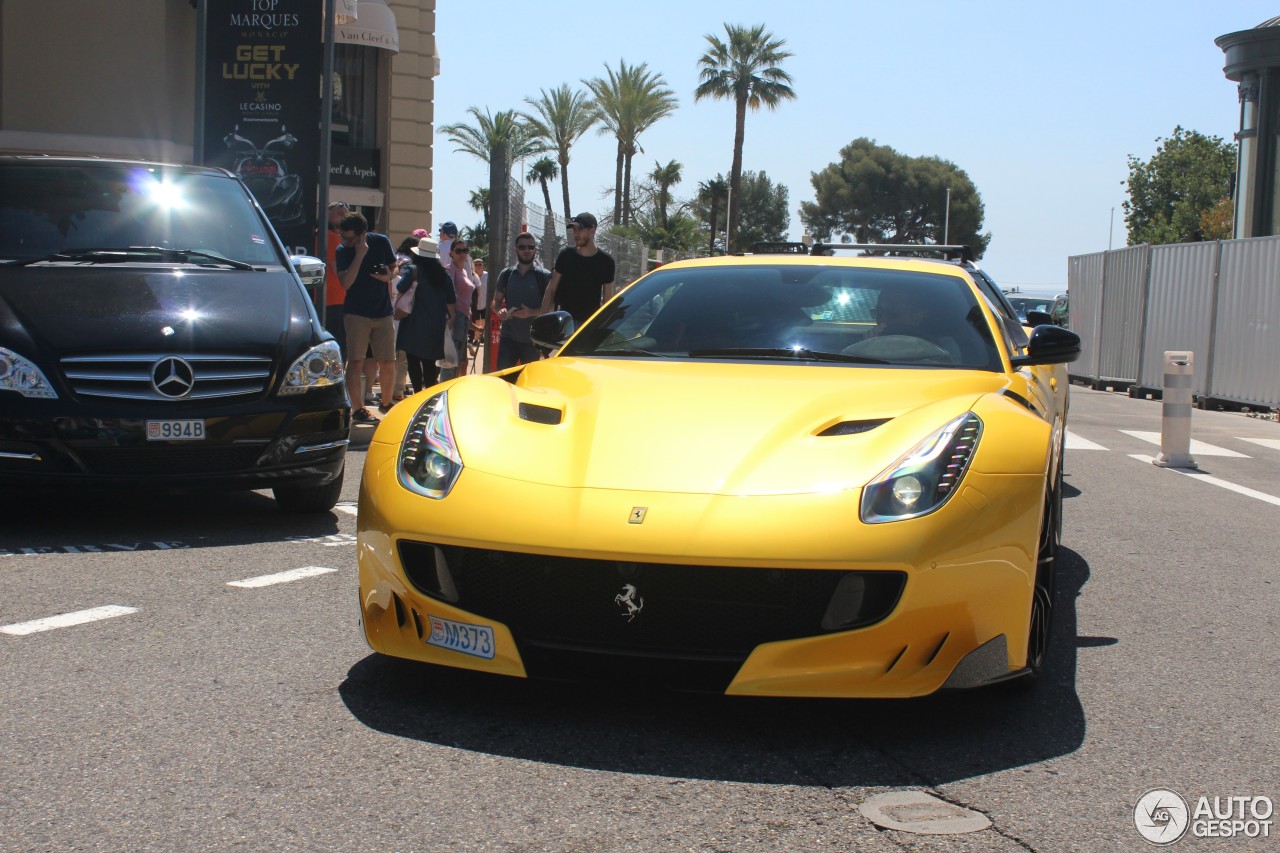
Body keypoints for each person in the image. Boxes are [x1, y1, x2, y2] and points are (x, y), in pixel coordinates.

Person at [335, 212, 398, 423]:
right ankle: (358, 409)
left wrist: (389, 276)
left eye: (349, 237)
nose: (344, 241)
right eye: (342, 236)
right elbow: (346, 283)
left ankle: (387, 403)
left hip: (383, 311)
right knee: (355, 361)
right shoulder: (343, 250)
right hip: (356, 313)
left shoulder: (381, 241)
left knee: (388, 361)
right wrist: (360, 254)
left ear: (363, 234)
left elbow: (394, 266)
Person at [396, 237, 457, 394]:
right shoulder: (444, 275)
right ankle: (428, 393)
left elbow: (400, 286)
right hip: (435, 324)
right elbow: (451, 300)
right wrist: (452, 318)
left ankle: (417, 391)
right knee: (430, 363)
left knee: (413, 360)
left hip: (413, 323)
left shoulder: (413, 270)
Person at [539, 212, 616, 328]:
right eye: (574, 230)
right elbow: (551, 289)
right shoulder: (566, 255)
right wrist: (542, 322)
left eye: (580, 229)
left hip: (588, 327)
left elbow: (607, 299)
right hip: (563, 322)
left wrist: (602, 330)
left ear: (592, 230)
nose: (576, 234)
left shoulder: (606, 262)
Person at [491, 233, 551, 369]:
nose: (526, 250)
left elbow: (553, 308)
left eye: (530, 247)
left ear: (535, 249)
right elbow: (495, 302)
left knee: (529, 383)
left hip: (534, 341)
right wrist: (499, 310)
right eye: (522, 247)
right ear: (515, 249)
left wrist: (531, 312)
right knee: (503, 381)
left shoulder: (545, 276)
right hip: (508, 339)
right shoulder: (506, 274)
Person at [439, 239, 480, 379]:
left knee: (459, 360)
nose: (462, 254)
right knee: (451, 360)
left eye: (465, 251)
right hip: (455, 318)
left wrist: (474, 326)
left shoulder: (463, 270)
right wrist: (452, 316)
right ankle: (445, 390)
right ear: (451, 253)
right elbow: (448, 294)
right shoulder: (450, 269)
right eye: (458, 251)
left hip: (463, 319)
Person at [322, 201, 351, 358]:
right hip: (335, 299)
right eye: (339, 213)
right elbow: (337, 268)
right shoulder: (331, 237)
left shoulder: (332, 236)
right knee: (339, 346)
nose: (344, 216)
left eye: (346, 213)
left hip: (335, 298)